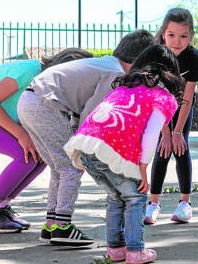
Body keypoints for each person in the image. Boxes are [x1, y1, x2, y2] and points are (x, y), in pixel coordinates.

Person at [17, 29, 156, 246]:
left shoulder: (105, 64)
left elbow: (78, 110)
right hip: (44, 105)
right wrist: (80, 148)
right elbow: (91, 115)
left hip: (30, 100)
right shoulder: (115, 73)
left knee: (59, 167)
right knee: (71, 167)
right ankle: (62, 227)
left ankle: (52, 224)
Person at [0, 48, 94, 233]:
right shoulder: (28, 70)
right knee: (25, 155)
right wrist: (21, 134)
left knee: (40, 157)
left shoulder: (47, 83)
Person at [64, 44, 185, 264]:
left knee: (116, 197)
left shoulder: (123, 88)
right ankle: (135, 251)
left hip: (87, 148)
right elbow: (151, 135)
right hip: (112, 151)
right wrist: (142, 168)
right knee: (135, 197)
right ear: (170, 73)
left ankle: (116, 249)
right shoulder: (162, 97)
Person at [144, 8, 198, 225]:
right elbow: (157, 97)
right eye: (171, 35)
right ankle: (153, 203)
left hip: (182, 108)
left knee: (181, 148)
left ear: (191, 36)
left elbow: (188, 96)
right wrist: (166, 134)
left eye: (183, 36)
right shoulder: (156, 56)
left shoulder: (194, 56)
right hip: (159, 107)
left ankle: (185, 203)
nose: (177, 41)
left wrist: (177, 132)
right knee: (162, 147)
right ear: (163, 34)